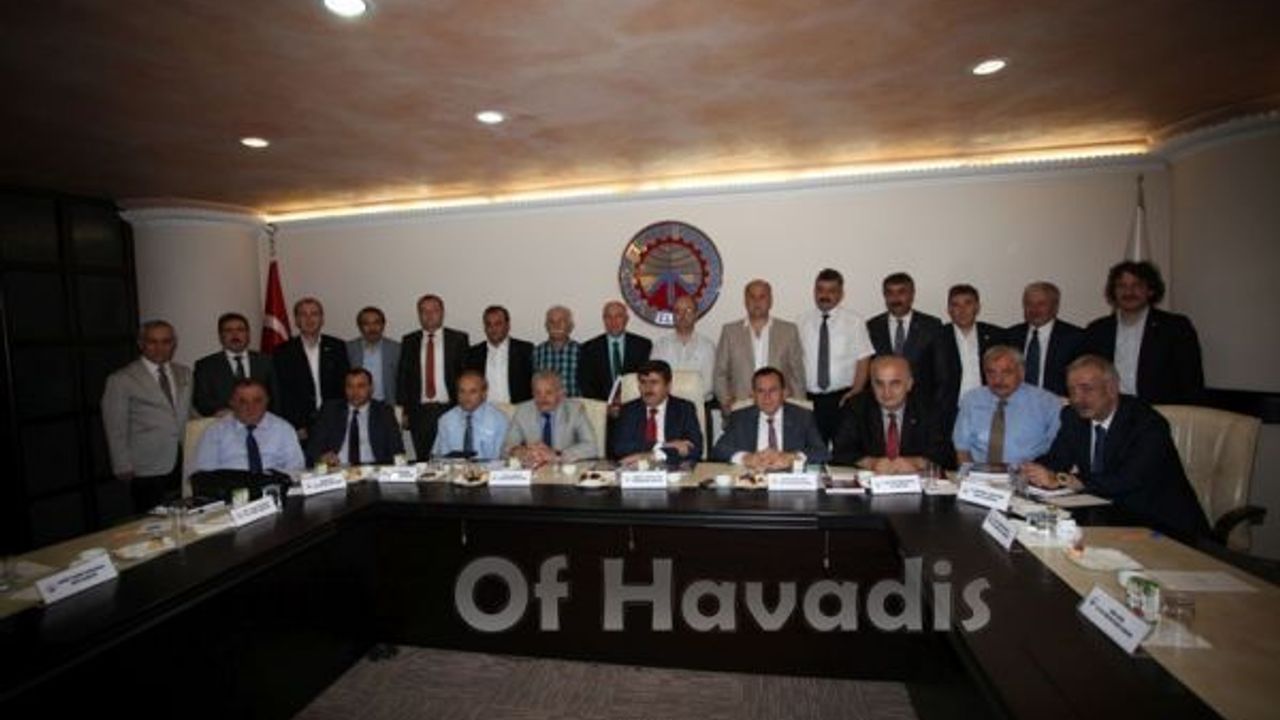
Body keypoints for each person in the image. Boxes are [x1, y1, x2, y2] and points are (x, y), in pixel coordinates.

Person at [1023, 355, 1209, 542]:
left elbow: (1128, 478)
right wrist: (1031, 470)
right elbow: (1057, 458)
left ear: (1112, 388)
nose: (1078, 399)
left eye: (1087, 389)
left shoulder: (1147, 423)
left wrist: (1065, 480)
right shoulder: (1072, 417)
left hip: (1162, 526)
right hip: (1104, 516)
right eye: (1072, 391)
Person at [1079, 260, 1204, 404]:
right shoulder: (1097, 330)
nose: (1128, 292)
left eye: (1137, 285)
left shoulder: (1175, 328)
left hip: (1161, 410)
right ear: (1113, 291)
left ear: (1150, 290)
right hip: (1111, 409)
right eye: (1121, 286)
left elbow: (1191, 379)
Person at [102, 320, 194, 512]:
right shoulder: (121, 379)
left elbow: (187, 411)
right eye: (152, 342)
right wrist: (121, 464)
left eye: (166, 341)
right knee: (151, 520)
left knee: (183, 513)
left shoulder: (184, 373)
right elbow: (115, 425)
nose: (159, 348)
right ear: (141, 343)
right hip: (146, 464)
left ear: (173, 344)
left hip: (182, 459)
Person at [831, 355, 954, 472]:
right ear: (871, 385)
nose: (887, 392)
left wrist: (915, 463)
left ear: (909, 384)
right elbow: (841, 452)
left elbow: (944, 455)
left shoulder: (929, 409)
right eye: (879, 384)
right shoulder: (856, 407)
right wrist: (872, 463)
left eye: (895, 384)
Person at [952, 346, 1062, 467]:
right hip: (979, 474)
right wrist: (968, 475)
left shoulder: (1047, 403)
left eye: (1006, 372)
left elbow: (1057, 449)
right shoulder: (971, 400)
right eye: (991, 373)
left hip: (1027, 474)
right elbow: (962, 448)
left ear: (1021, 373)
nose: (998, 380)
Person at [798, 268, 873, 445]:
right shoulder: (801, 321)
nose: (824, 295)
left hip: (842, 398)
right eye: (820, 289)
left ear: (841, 294)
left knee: (844, 448)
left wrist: (856, 392)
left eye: (831, 290)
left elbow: (864, 358)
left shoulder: (854, 322)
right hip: (810, 399)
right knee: (814, 448)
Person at [713, 280, 805, 413]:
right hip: (741, 408)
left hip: (780, 408)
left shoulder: (788, 331)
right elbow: (720, 373)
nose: (757, 301)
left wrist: (798, 410)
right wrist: (726, 401)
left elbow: (797, 375)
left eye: (762, 296)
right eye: (752, 297)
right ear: (745, 301)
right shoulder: (730, 332)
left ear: (770, 301)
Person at [397, 294, 469, 459]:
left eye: (434, 310)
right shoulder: (409, 340)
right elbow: (403, 377)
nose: (429, 315)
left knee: (453, 457)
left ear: (442, 313)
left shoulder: (458, 339)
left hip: (451, 408)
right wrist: (404, 411)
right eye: (424, 311)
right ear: (419, 315)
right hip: (419, 411)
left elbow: (465, 374)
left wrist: (465, 406)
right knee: (424, 458)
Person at [712, 367, 828, 469]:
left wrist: (792, 458)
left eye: (773, 390)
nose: (767, 397)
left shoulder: (802, 417)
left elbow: (822, 452)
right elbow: (719, 449)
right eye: (760, 391)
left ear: (784, 393)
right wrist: (746, 458)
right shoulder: (740, 417)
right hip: (752, 479)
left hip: (789, 479)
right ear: (753, 395)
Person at [273, 297, 350, 436]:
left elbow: (344, 385)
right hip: (300, 426)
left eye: (314, 314)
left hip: (334, 421)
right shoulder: (283, 352)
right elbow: (281, 393)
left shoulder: (337, 347)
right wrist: (295, 424)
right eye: (303, 314)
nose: (309, 319)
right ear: (296, 320)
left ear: (322, 319)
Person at [932, 284, 1002, 434]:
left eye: (968, 303)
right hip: (949, 414)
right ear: (949, 310)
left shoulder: (997, 336)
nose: (962, 310)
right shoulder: (936, 338)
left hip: (988, 409)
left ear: (977, 307)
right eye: (955, 305)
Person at [195, 378, 305, 473]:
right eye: (243, 402)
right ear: (232, 403)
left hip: (274, 487)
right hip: (230, 487)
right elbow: (205, 474)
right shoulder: (215, 432)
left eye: (257, 401)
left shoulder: (283, 429)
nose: (251, 407)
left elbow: (296, 469)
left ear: (267, 401)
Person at [866, 272, 943, 401]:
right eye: (890, 293)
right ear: (884, 295)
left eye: (901, 292)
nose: (895, 298)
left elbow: (941, 372)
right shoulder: (872, 327)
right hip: (884, 401)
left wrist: (936, 404)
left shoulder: (931, 326)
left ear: (912, 294)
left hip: (922, 402)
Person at [610, 360, 703, 464]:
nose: (648, 388)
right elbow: (620, 448)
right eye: (643, 382)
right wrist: (663, 445)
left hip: (672, 469)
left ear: (668, 386)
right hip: (635, 470)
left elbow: (694, 449)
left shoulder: (684, 409)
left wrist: (652, 456)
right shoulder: (629, 410)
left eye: (654, 382)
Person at [307, 368, 404, 466]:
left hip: (373, 469)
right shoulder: (330, 411)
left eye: (360, 386)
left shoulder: (384, 412)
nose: (355, 392)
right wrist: (322, 457)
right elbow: (313, 448)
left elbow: (397, 450)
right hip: (337, 469)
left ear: (371, 388)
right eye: (350, 386)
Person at [502, 370, 598, 465]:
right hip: (533, 469)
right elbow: (506, 448)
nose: (542, 398)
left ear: (560, 394)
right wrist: (520, 452)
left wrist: (557, 455)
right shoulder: (522, 411)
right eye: (537, 393)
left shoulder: (575, 410)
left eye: (548, 392)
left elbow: (592, 447)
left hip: (564, 469)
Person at [1004, 281, 1083, 396]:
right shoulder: (1010, 335)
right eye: (1028, 304)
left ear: (1055, 307)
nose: (1034, 309)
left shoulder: (1075, 338)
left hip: (1058, 401)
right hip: (1016, 401)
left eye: (1041, 304)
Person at [192, 312, 276, 416]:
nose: (235, 335)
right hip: (223, 422)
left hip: (263, 420)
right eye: (228, 330)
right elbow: (201, 400)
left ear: (248, 334)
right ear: (221, 336)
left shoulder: (266, 361)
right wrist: (220, 412)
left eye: (240, 330)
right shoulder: (205, 366)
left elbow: (275, 397)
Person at [578, 300, 652, 404]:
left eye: (618, 316)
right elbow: (586, 384)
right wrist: (605, 406)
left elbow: (645, 379)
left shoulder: (643, 346)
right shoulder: (589, 348)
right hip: (600, 407)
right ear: (604, 320)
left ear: (626, 319)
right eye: (608, 317)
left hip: (634, 405)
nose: (613, 321)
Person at [651, 294, 716, 403]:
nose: (683, 315)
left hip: (699, 404)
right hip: (667, 405)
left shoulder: (708, 346)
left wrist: (686, 401)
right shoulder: (660, 345)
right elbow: (655, 378)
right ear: (673, 315)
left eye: (688, 310)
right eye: (678, 311)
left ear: (696, 314)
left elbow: (709, 384)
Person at [432, 370, 510, 460]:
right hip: (454, 468)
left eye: (473, 391)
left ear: (484, 394)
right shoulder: (446, 420)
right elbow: (439, 457)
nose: (466, 396)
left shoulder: (499, 420)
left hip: (488, 468)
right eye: (462, 391)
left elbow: (502, 458)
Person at [464, 305, 534, 404]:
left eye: (498, 324)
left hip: (517, 409)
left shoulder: (525, 350)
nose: (493, 328)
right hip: (485, 409)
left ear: (508, 325)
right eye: (488, 324)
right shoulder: (473, 354)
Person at [345, 306, 400, 404]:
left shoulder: (397, 349)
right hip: (357, 403)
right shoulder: (348, 349)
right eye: (366, 324)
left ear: (383, 325)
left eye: (376, 323)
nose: (372, 328)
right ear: (360, 326)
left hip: (386, 404)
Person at [533, 305, 583, 397]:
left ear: (570, 326)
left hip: (574, 403)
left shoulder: (582, 352)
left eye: (561, 321)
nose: (556, 326)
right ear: (546, 326)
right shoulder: (536, 353)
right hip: (545, 404)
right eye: (551, 322)